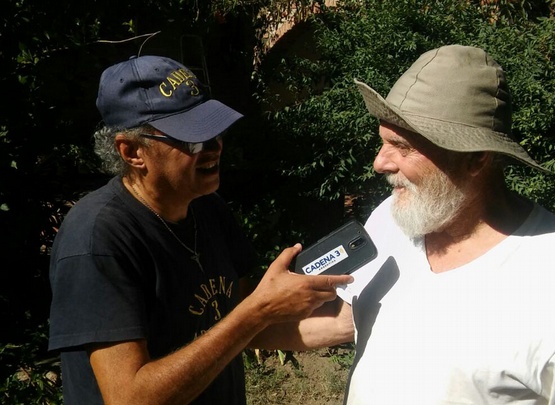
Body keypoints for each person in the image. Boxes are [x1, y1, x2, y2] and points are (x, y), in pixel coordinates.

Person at [273, 44, 555, 404]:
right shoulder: (393, 218)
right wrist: (241, 325)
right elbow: (348, 319)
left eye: (403, 147)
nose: (380, 163)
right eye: (383, 143)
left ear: (475, 159)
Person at [47, 54, 353, 405]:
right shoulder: (97, 239)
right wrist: (257, 311)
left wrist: (361, 319)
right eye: (192, 138)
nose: (213, 147)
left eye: (215, 129)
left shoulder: (205, 207)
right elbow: (130, 398)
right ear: (132, 151)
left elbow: (242, 323)